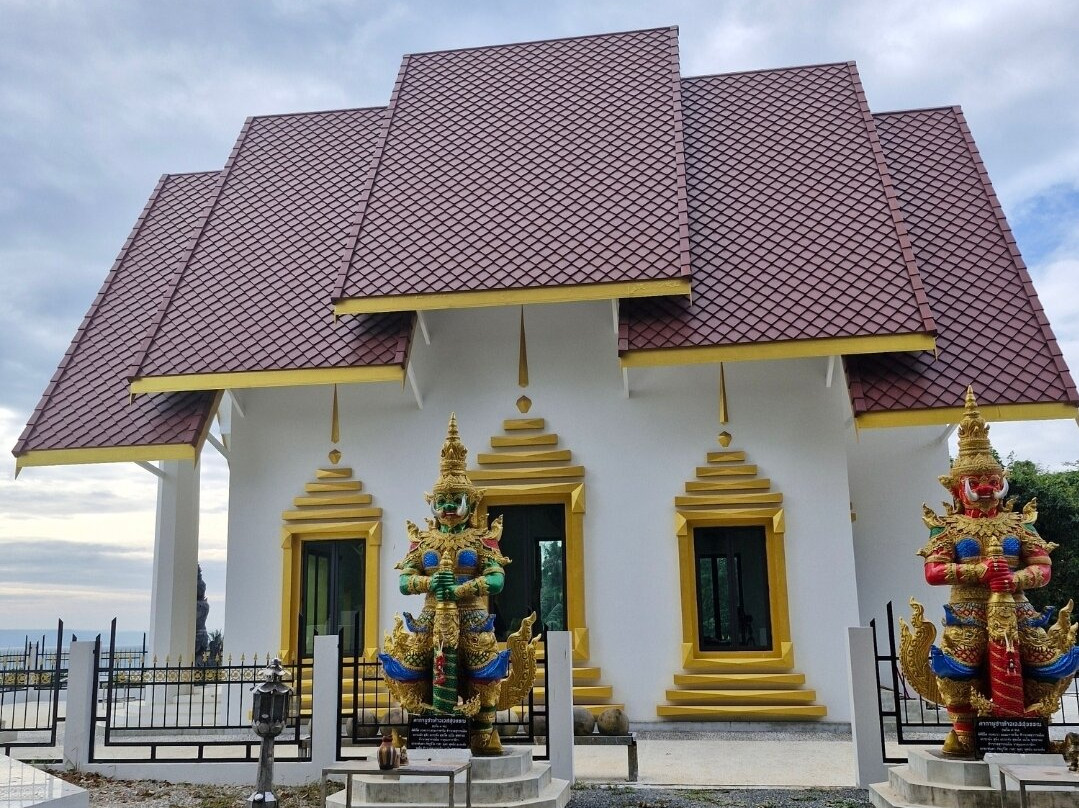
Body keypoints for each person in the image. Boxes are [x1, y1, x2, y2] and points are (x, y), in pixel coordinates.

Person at [908, 388, 1079, 756]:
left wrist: (1016, 579)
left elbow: (1042, 566)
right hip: (969, 608)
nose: (986, 488)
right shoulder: (949, 528)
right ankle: (965, 733)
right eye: (976, 482)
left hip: (1017, 606)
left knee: (1046, 664)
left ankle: (1030, 732)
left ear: (1002, 481)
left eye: (992, 480)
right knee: (959, 667)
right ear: (959, 488)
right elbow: (933, 571)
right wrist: (978, 571)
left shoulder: (1018, 524)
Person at [379, 414, 513, 754]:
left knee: (484, 673)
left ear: (472, 502)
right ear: (433, 503)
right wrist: (427, 582)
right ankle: (429, 732)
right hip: (429, 617)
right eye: (443, 501)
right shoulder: (423, 542)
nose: (449, 507)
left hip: (471, 616)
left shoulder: (481, 540)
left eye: (457, 499)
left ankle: (483, 734)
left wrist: (463, 589)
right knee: (412, 672)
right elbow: (404, 581)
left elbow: (497, 578)